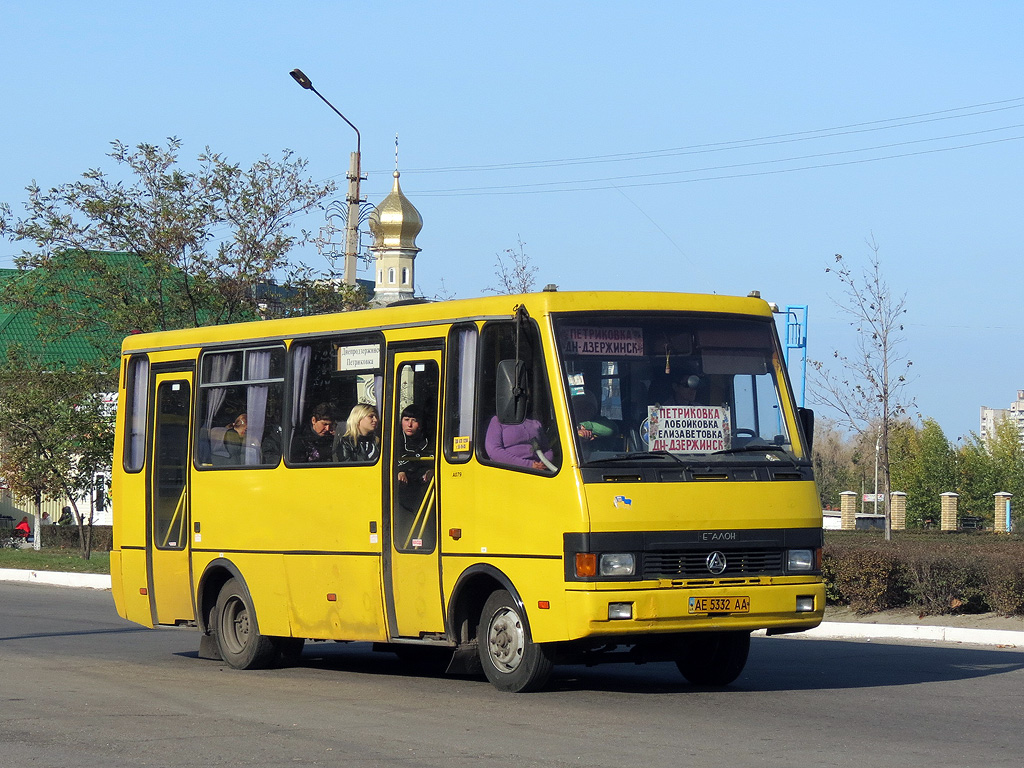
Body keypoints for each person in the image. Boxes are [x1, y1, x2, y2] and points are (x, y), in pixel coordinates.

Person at [395, 404, 434, 509]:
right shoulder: (394, 439)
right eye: (406, 420)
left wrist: (430, 471)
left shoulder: (429, 440)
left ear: (420, 424)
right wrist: (400, 470)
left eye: (414, 420)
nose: (409, 425)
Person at [485, 413, 554, 470]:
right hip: (508, 471)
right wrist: (529, 465)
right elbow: (494, 451)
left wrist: (543, 463)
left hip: (538, 472)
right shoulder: (497, 420)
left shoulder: (535, 423)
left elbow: (547, 449)